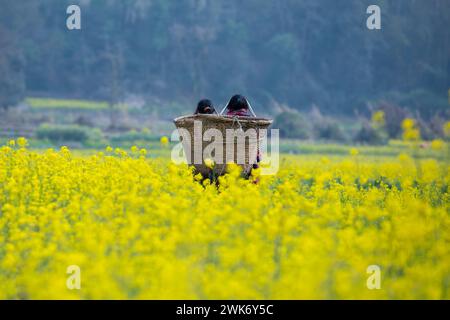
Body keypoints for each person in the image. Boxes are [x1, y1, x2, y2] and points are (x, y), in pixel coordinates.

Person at [225, 94, 260, 182]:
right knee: (255, 156)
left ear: (230, 107)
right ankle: (255, 181)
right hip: (247, 160)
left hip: (224, 159)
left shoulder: (224, 119)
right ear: (245, 107)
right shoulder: (250, 121)